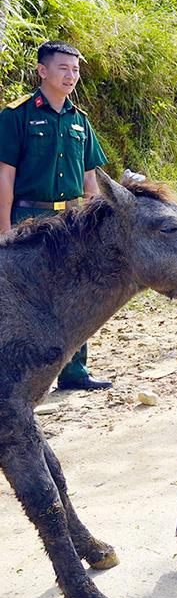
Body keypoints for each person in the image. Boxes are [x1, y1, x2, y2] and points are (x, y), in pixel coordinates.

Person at [0, 41, 112, 390]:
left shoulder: (81, 121)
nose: (71, 75)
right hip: (29, 217)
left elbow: (90, 179)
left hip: (72, 219)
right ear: (42, 70)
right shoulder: (16, 115)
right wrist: (4, 228)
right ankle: (18, 376)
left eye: (75, 69)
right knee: (25, 297)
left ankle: (75, 371)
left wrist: (94, 223)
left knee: (77, 291)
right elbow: (5, 175)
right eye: (63, 68)